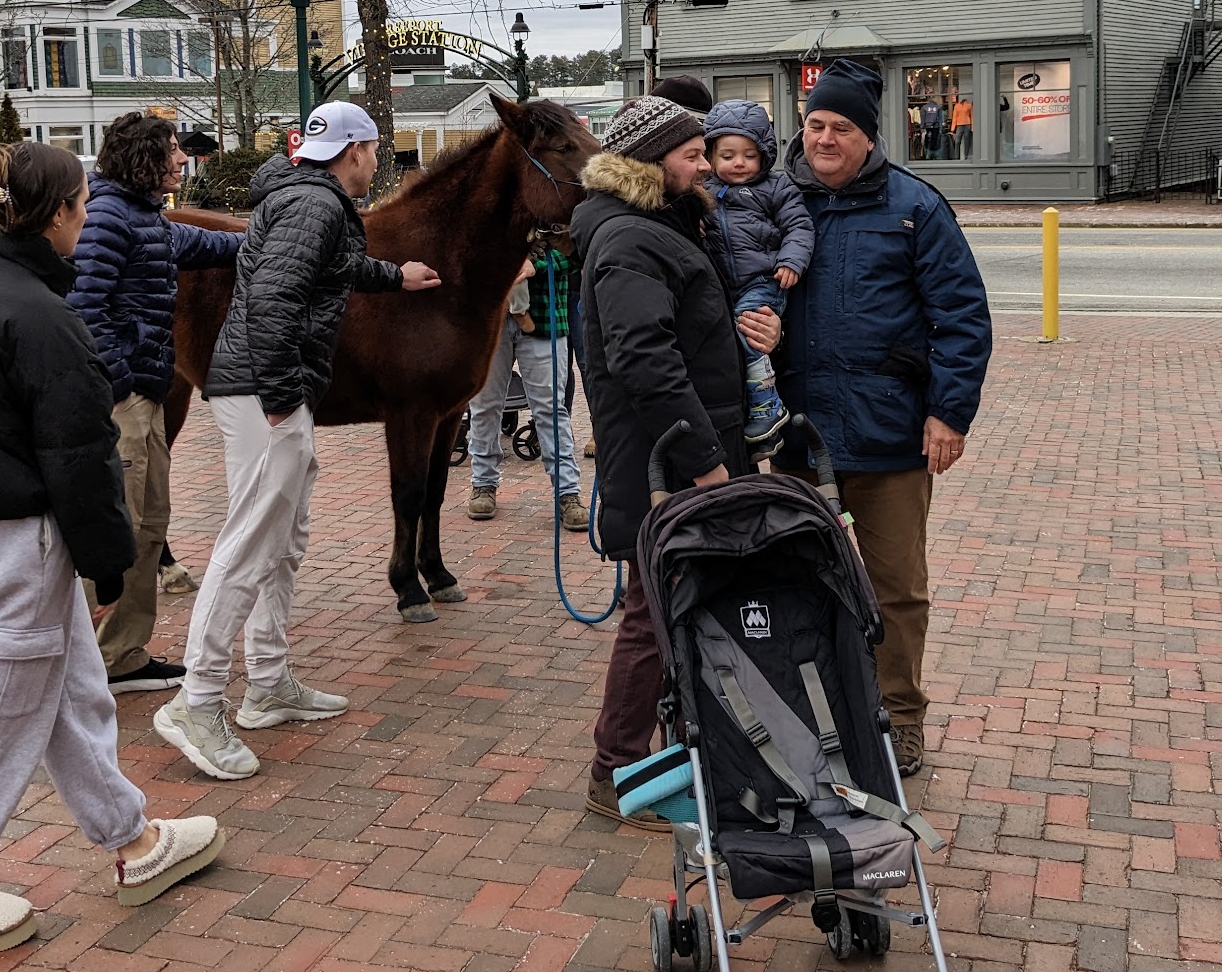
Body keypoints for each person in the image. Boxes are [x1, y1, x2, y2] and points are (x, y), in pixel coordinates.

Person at [0, 141, 224, 962]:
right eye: (82, 202)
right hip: (24, 543)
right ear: (57, 215)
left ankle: (133, 839)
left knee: (76, 694)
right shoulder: (47, 319)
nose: (88, 213)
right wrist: (110, 563)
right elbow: (81, 458)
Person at [153, 102, 441, 780]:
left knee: (282, 538)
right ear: (355, 150)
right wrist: (283, 397)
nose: (375, 161)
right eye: (374, 149)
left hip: (265, 389)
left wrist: (394, 276)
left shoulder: (304, 197)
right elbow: (275, 299)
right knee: (250, 545)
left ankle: (269, 682)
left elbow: (327, 268)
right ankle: (197, 702)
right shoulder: (315, 204)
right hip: (268, 393)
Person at [769, 59, 992, 779]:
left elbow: (961, 317)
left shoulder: (914, 207)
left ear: (869, 136)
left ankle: (900, 716)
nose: (824, 139)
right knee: (799, 583)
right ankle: (815, 710)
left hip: (889, 435)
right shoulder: (775, 204)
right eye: (815, 124)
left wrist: (948, 413)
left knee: (896, 589)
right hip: (798, 435)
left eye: (841, 127)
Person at [572, 94, 775, 821]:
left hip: (674, 456)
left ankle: (666, 757)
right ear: (652, 161)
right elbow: (645, 361)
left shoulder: (657, 223)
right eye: (692, 154)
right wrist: (706, 464)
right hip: (669, 464)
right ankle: (617, 774)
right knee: (653, 613)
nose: (706, 165)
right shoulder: (633, 237)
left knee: (669, 606)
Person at [66, 112, 242, 695]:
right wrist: (122, 384)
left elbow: (206, 244)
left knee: (148, 525)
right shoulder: (108, 218)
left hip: (145, 391)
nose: (182, 158)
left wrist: (270, 235)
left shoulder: (142, 216)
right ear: (144, 157)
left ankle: (122, 656)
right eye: (172, 150)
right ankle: (86, 663)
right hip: (125, 400)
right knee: (120, 526)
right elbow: (83, 311)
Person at [703, 98, 814, 444]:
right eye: (728, 156)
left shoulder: (776, 187)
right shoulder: (702, 192)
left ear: (764, 155)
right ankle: (757, 421)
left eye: (749, 155)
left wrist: (791, 260)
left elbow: (799, 226)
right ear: (711, 156)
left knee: (749, 329)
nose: (739, 163)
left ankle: (767, 403)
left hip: (763, 281)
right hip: (723, 286)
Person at [468, 250, 591, 531]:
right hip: (488, 317)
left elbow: (577, 251)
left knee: (551, 409)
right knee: (484, 405)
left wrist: (536, 264)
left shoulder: (557, 220)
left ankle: (567, 491)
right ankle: (483, 483)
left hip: (545, 316)